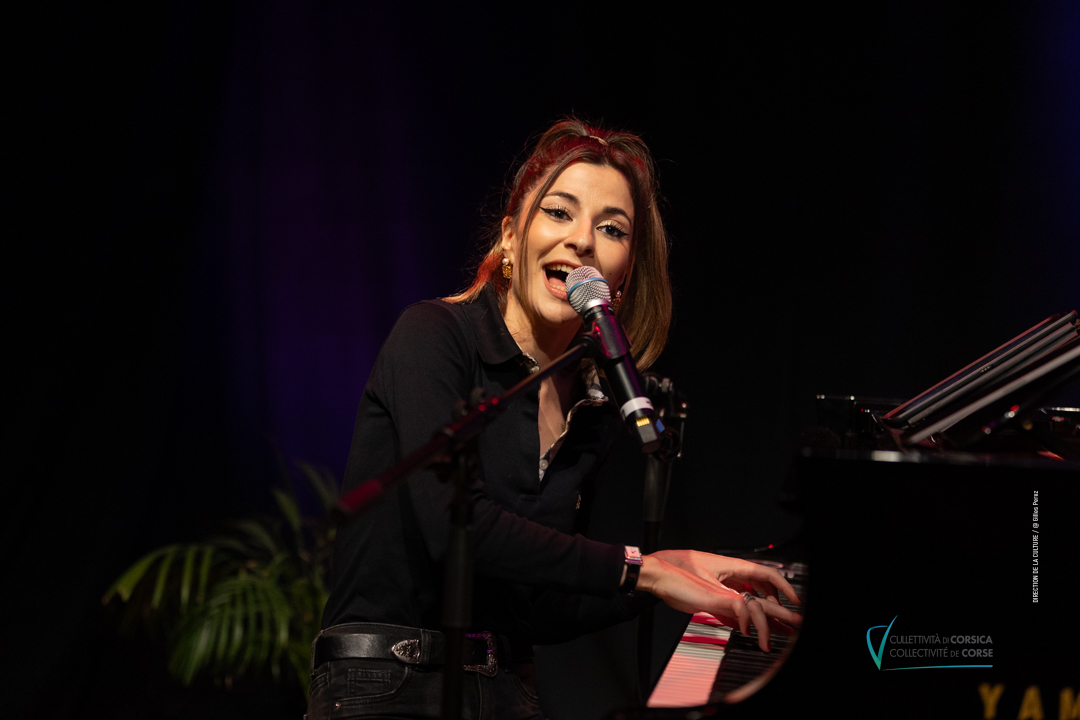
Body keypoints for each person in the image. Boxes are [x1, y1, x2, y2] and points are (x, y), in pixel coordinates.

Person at [307, 119, 802, 720]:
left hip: (506, 692)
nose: (582, 240)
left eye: (611, 228)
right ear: (511, 239)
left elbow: (537, 606)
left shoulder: (591, 408)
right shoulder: (434, 336)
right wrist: (645, 572)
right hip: (386, 684)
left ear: (623, 274)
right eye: (559, 212)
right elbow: (456, 529)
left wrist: (677, 573)